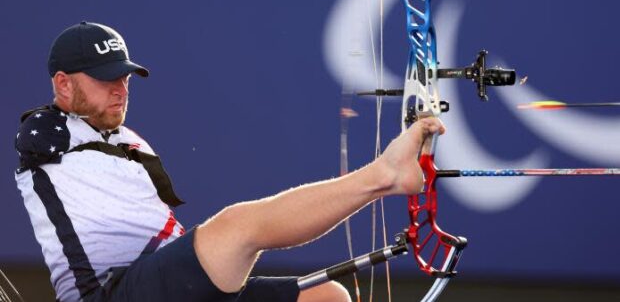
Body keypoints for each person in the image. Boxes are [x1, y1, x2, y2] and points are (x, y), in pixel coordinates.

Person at [14, 22, 445, 302]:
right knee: (238, 226)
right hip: (113, 293)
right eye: (105, 78)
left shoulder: (126, 140)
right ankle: (385, 174)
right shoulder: (44, 133)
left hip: (167, 284)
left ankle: (387, 176)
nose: (120, 89)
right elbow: (34, 135)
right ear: (63, 85)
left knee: (328, 297)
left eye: (124, 78)